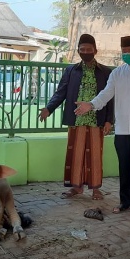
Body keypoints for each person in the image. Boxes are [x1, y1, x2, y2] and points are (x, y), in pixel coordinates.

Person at [75, 35, 130, 217]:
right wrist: (90, 105)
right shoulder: (117, 73)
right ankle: (125, 201)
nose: (128, 54)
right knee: (124, 167)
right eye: (125, 52)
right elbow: (106, 94)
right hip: (122, 130)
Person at [38, 34, 113, 201]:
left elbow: (110, 97)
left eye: (89, 49)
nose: (85, 52)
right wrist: (48, 108)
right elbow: (61, 93)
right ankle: (76, 187)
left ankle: (95, 190)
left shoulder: (106, 72)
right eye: (82, 50)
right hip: (76, 120)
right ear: (78, 51)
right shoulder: (71, 70)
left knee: (95, 156)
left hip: (96, 119)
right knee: (76, 154)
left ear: (95, 50)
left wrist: (109, 120)